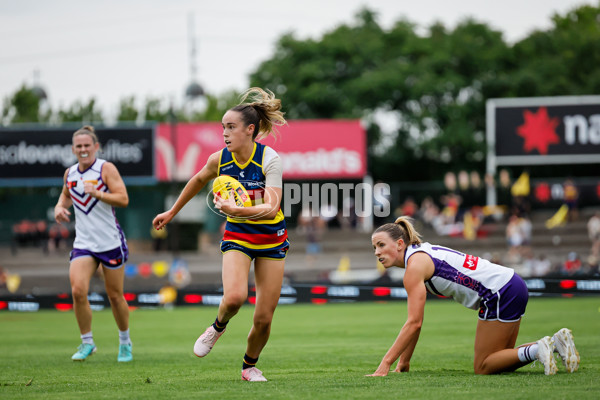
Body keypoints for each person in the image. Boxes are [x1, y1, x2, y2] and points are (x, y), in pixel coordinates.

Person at [152, 87, 289, 382]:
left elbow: (272, 206)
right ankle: (216, 327)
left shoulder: (270, 159)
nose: (224, 133)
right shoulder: (220, 159)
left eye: (231, 127)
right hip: (239, 236)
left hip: (271, 238)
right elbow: (197, 180)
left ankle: (249, 367)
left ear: (250, 130)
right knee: (235, 298)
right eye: (223, 128)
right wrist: (171, 213)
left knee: (264, 318)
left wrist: (236, 210)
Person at [367, 216, 580, 376]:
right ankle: (554, 344)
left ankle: (537, 349)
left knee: (483, 366)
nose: (377, 252)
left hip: (498, 292)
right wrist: (403, 363)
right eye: (374, 247)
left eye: (381, 245)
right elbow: (415, 324)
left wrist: (385, 364)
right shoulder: (420, 254)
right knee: (501, 360)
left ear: (400, 244)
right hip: (512, 283)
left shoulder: (414, 267)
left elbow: (414, 323)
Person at [54, 125, 132, 363]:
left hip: (110, 242)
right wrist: (59, 208)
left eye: (87, 145)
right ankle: (87, 342)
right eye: (79, 146)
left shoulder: (105, 169)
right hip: (84, 243)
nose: (83, 149)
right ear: (73, 149)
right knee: (78, 290)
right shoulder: (70, 174)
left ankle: (125, 342)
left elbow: (123, 199)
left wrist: (99, 193)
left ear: (96, 147)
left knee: (115, 295)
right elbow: (66, 195)